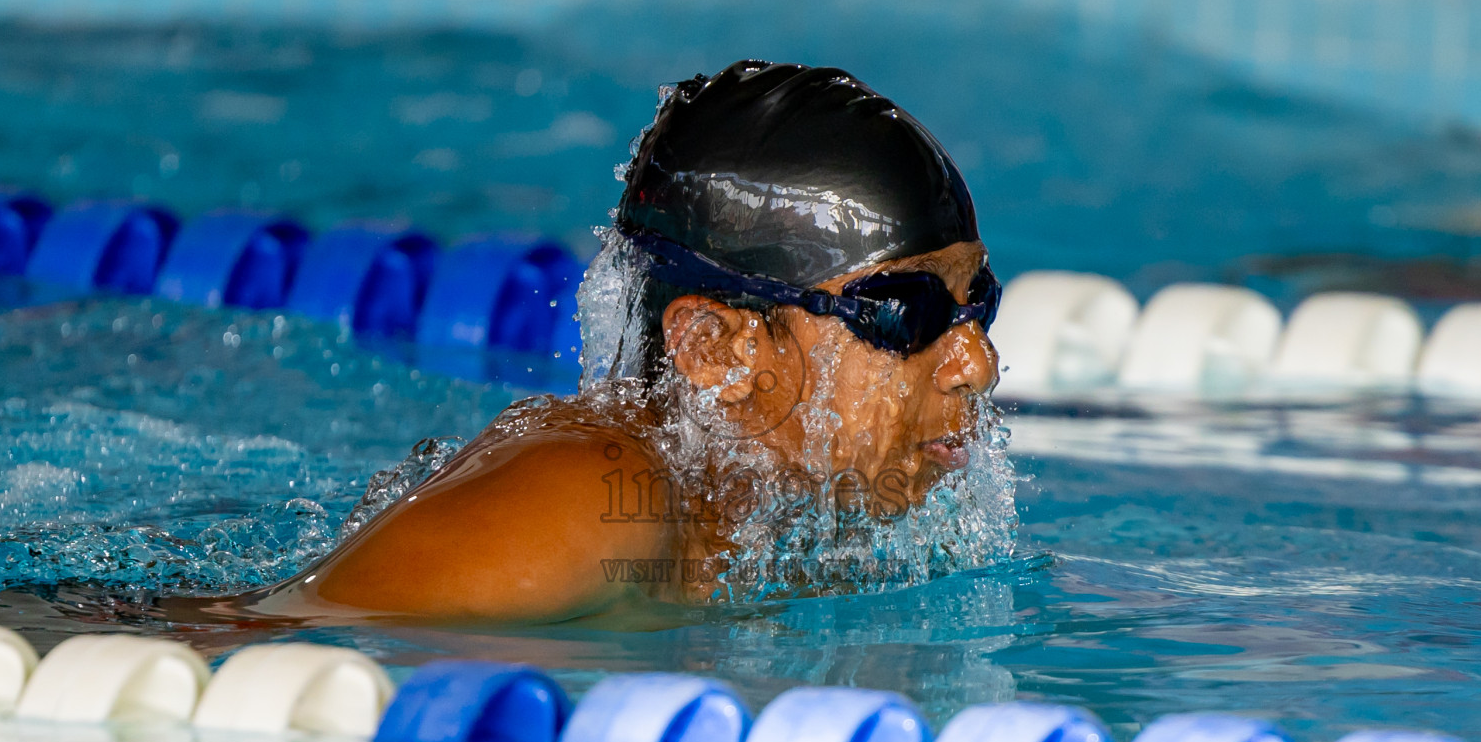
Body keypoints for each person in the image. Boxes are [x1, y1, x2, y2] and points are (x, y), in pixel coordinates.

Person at [254, 60, 1001, 621]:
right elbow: (261, 651)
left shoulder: (821, 520)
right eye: (906, 312)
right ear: (714, 349)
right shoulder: (584, 500)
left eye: (978, 302)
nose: (978, 362)